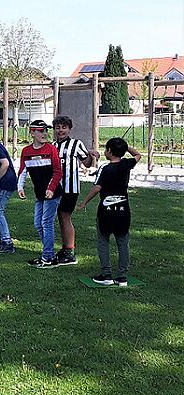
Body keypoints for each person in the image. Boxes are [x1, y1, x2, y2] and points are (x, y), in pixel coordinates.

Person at [78, 138, 141, 287]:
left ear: (109, 152)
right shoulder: (126, 164)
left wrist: (83, 202)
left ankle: (106, 275)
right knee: (123, 242)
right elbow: (137, 155)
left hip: (106, 212)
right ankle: (122, 277)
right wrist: (126, 147)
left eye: (106, 149)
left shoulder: (105, 169)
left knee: (103, 241)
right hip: (123, 211)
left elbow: (97, 188)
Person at [52, 115, 99, 265]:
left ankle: (70, 251)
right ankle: (65, 248)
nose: (61, 130)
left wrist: (92, 156)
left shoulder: (76, 144)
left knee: (65, 217)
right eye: (58, 127)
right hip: (55, 188)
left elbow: (87, 164)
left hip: (69, 188)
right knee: (60, 216)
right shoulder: (52, 145)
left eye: (64, 127)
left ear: (70, 129)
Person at [17, 120, 63, 268]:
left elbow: (57, 171)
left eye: (45, 131)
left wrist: (51, 188)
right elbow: (23, 170)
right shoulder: (26, 151)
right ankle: (49, 253)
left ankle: (47, 257)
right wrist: (20, 187)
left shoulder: (51, 149)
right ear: (32, 133)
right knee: (38, 224)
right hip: (39, 194)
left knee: (46, 223)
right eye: (41, 131)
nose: (44, 134)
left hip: (53, 193)